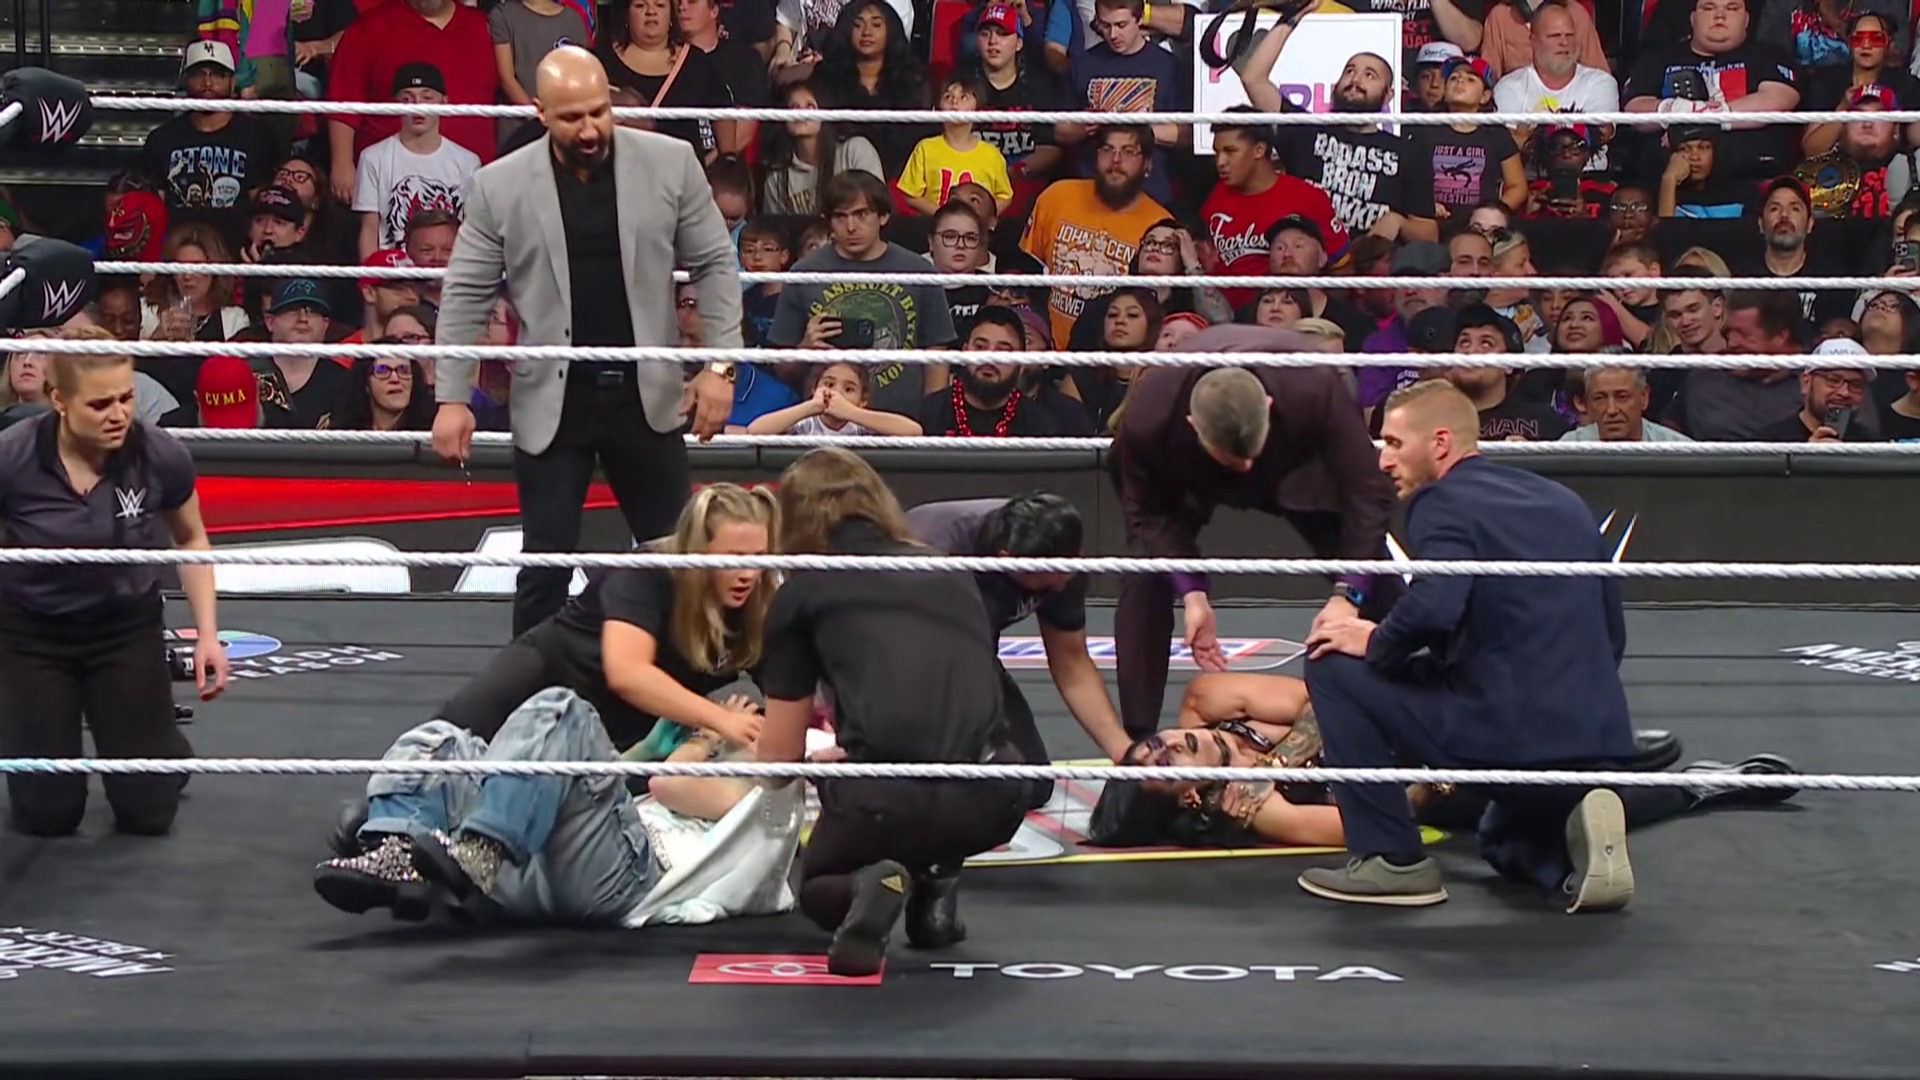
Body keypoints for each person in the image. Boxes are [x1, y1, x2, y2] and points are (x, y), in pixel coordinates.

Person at [313, 484, 795, 925]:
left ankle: (475, 852)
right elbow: (628, 671)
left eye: (759, 558)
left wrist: (787, 744)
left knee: (554, 748)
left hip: (606, 729)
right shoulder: (650, 573)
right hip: (555, 669)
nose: (748, 573)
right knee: (443, 739)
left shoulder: (758, 611)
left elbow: (790, 698)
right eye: (733, 557)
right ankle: (395, 846)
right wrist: (719, 722)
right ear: (697, 550)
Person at [430, 45, 742, 640]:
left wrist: (720, 366)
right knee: (545, 563)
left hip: (645, 394)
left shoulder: (670, 162)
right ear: (540, 112)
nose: (591, 128)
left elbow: (714, 264)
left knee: (678, 558)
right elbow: (466, 292)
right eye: (572, 117)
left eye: (599, 111)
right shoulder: (499, 185)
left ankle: (691, 684)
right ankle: (531, 688)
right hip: (555, 399)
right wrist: (452, 397)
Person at [1300, 379, 1638, 914]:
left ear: (1440, 443)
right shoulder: (1561, 500)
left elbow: (1435, 605)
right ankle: (1573, 841)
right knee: (1498, 840)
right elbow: (1611, 631)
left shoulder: (1441, 501)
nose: (1383, 461)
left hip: (1505, 737)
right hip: (1597, 739)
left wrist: (1376, 640)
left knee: (1331, 661)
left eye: (1394, 444)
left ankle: (1391, 860)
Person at [754, 448, 1028, 977]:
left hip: (888, 803)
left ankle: (866, 887)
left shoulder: (804, 593)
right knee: (934, 772)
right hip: (997, 792)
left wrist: (816, 775)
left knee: (816, 885)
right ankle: (935, 894)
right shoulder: (950, 571)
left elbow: (779, 757)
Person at [1103, 672, 1795, 850]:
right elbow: (1368, 823)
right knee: (1558, 812)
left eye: (1151, 741)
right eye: (1160, 765)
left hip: (1410, 721)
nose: (1165, 744)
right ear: (1188, 797)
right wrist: (1429, 783)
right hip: (1425, 781)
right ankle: (1703, 787)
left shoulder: (1214, 699)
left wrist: (1285, 760)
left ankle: (1589, 741)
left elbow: (1327, 695)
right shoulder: (1257, 808)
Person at [1109, 325, 1401, 739]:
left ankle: (1418, 701)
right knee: (1144, 572)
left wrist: (1348, 594)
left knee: (1372, 575)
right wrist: (1192, 591)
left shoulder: (1314, 386)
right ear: (1193, 425)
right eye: (1234, 459)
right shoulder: (1150, 418)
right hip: (1192, 472)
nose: (1244, 467)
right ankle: (1138, 739)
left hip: (1294, 462)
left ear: (1267, 404)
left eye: (1249, 455)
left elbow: (1368, 495)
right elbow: (1145, 513)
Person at [0, 352, 231, 837]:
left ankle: (162, 748)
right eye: (100, 403)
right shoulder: (12, 457)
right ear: (59, 400)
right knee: (48, 815)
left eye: (126, 398)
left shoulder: (158, 452)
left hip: (125, 630)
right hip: (32, 634)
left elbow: (191, 537)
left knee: (149, 812)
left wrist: (208, 634)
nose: (119, 414)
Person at [906, 494, 1131, 793]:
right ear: (1008, 560)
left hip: (975, 654)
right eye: (1049, 579)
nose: (1061, 586)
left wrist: (1124, 754)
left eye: (1067, 572)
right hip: (908, 657)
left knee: (1030, 785)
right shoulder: (939, 555)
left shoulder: (1062, 563)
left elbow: (1071, 662)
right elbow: (894, 646)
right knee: (950, 786)